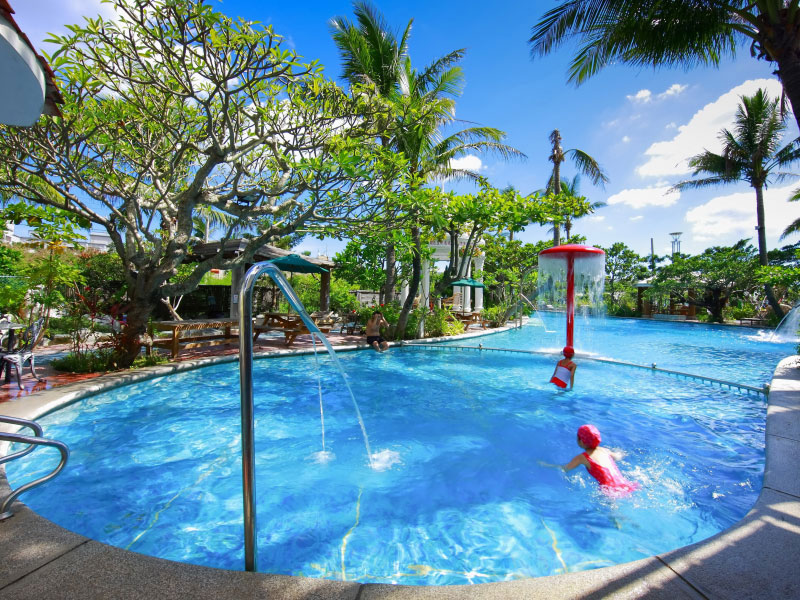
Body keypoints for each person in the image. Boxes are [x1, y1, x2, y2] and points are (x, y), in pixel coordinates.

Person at [561, 424, 640, 497]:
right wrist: (621, 453)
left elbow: (566, 468)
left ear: (581, 441)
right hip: (624, 484)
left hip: (609, 489)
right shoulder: (605, 450)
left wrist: (551, 466)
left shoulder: (582, 458)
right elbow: (617, 457)